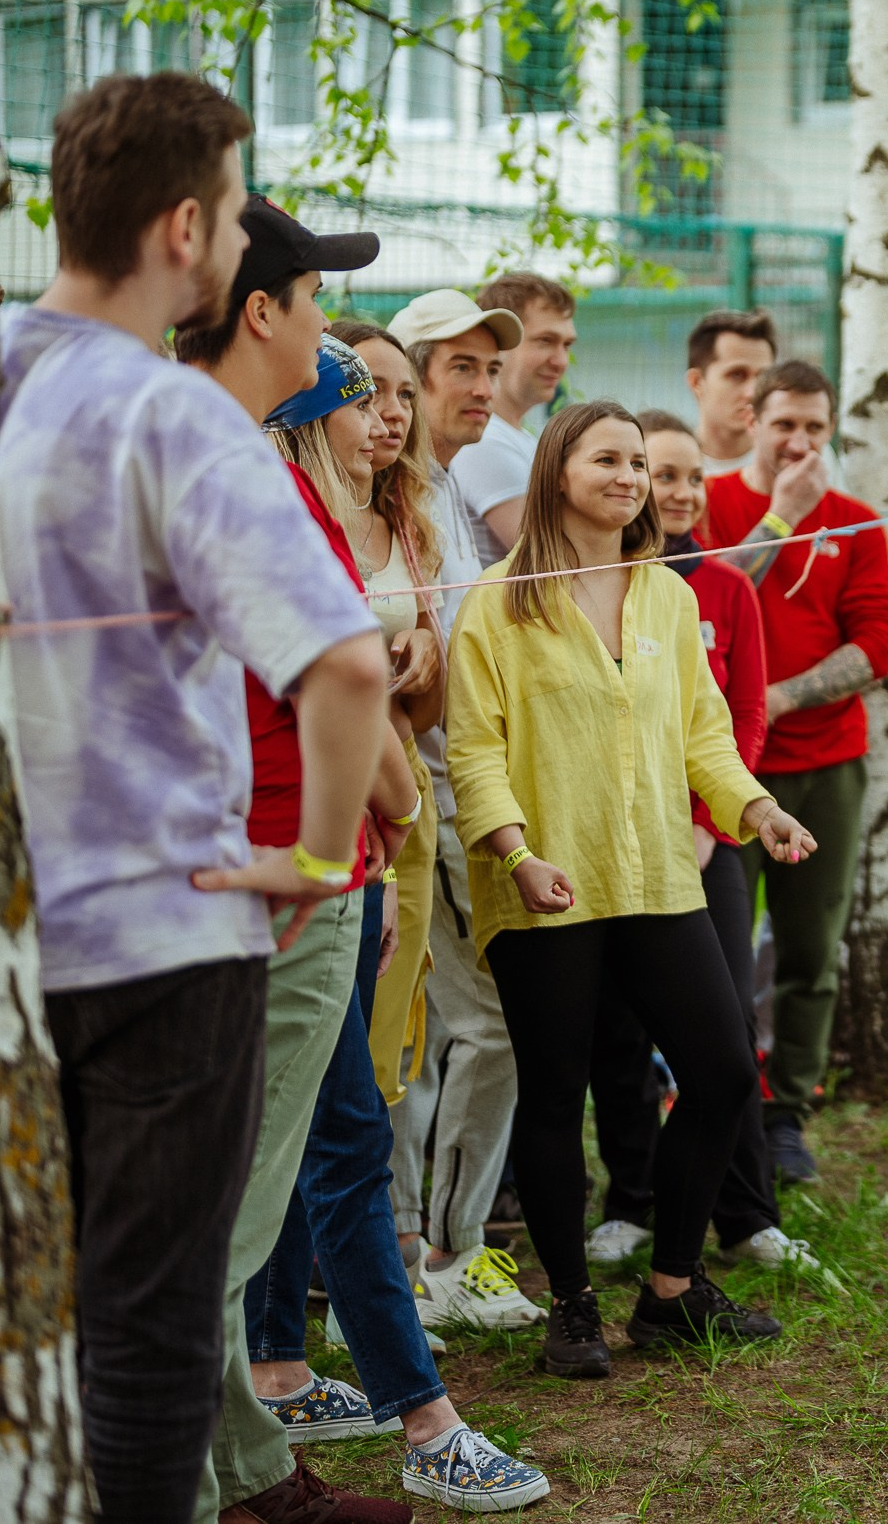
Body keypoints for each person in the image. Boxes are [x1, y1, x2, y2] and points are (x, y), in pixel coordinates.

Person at [0, 73, 385, 1524]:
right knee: (150, 1327)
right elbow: (346, 668)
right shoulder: (169, 414)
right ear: (182, 227)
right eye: (229, 213)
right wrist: (316, 856)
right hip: (162, 941)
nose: (233, 244)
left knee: (11, 1311)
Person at [236, 338, 549, 1513]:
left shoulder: (361, 520)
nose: (386, 416)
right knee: (341, 1143)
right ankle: (421, 1420)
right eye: (362, 395)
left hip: (337, 864)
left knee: (310, 1142)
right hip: (309, 866)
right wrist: (396, 804)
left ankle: (266, 1390)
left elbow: (394, 680)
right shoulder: (276, 513)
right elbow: (347, 691)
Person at [445, 401, 819, 1378]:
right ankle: (570, 1307)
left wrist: (755, 811)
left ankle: (671, 1290)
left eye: (637, 465)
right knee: (556, 1091)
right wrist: (515, 850)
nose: (629, 477)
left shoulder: (668, 597)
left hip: (658, 876)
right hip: (543, 887)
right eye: (605, 459)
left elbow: (702, 736)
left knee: (725, 1069)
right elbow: (475, 746)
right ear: (556, 473)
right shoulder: (498, 601)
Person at [169, 202, 433, 1521]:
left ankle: (252, 1469)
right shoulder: (229, 464)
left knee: (235, 1201)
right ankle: (207, 1488)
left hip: (256, 863)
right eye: (317, 299)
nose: (331, 325)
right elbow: (341, 676)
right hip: (278, 874)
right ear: (261, 312)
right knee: (234, 1212)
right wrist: (362, 834)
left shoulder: (227, 457)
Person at [614, 410, 818, 1272]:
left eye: (693, 477)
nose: (681, 493)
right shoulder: (604, 585)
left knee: (727, 1022)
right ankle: (631, 1201)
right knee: (618, 1027)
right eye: (664, 475)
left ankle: (747, 1214)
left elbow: (743, 717)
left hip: (712, 839)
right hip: (617, 846)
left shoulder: (726, 588)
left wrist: (708, 822)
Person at [380, 289, 546, 1336]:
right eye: (460, 369)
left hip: (466, 788)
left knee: (453, 1030)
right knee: (457, 1029)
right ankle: (429, 1253)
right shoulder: (384, 493)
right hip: (412, 794)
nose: (482, 389)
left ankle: (430, 1250)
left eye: (493, 370)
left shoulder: (438, 488)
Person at [698, 362, 888, 1186]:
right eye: (787, 424)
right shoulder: (711, 503)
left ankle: (787, 1114)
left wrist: (778, 696)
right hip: (726, 771)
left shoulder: (856, 522)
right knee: (716, 952)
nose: (802, 442)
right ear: (751, 417)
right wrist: (783, 516)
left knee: (812, 949)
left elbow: (875, 647)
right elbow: (704, 596)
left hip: (827, 764)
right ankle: (716, 1102)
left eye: (817, 428)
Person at [328, 319, 445, 1105]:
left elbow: (428, 714)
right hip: (334, 795)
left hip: (409, 788)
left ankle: (393, 1224)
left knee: (384, 1040)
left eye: (406, 393)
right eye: (371, 391)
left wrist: (431, 655)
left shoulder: (412, 526)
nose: (393, 412)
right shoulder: (301, 512)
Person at [447, 272, 577, 566]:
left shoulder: (515, 435)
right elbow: (551, 562)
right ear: (501, 342)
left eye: (566, 345)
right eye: (545, 341)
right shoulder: (484, 439)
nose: (560, 361)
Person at [684, 308, 777, 477]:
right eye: (737, 375)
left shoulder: (800, 456)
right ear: (697, 382)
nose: (753, 393)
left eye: (764, 377)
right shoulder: (663, 465)